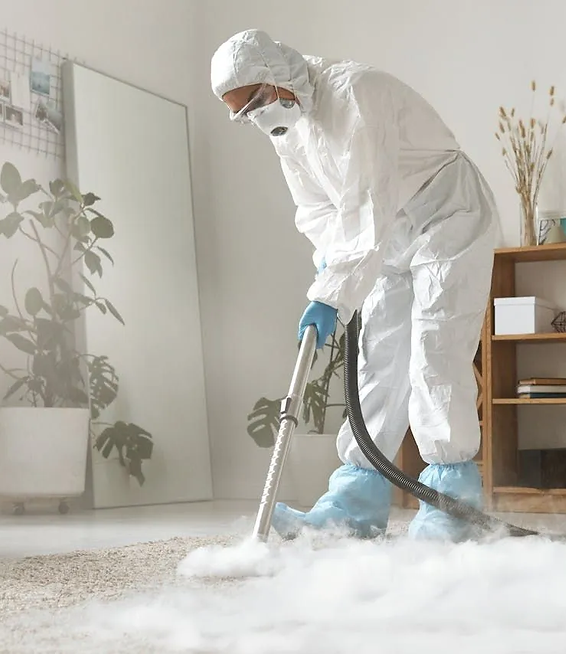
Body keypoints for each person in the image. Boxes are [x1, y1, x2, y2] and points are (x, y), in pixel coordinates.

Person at [211, 29, 499, 542]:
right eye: (243, 113)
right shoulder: (288, 130)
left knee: (435, 353)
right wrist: (329, 258)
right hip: (387, 237)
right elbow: (316, 208)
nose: (256, 116)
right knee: (377, 359)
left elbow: (368, 204)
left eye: (255, 101)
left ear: (276, 75)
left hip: (446, 215)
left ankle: (452, 503)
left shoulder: (354, 95)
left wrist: (330, 294)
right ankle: (354, 502)